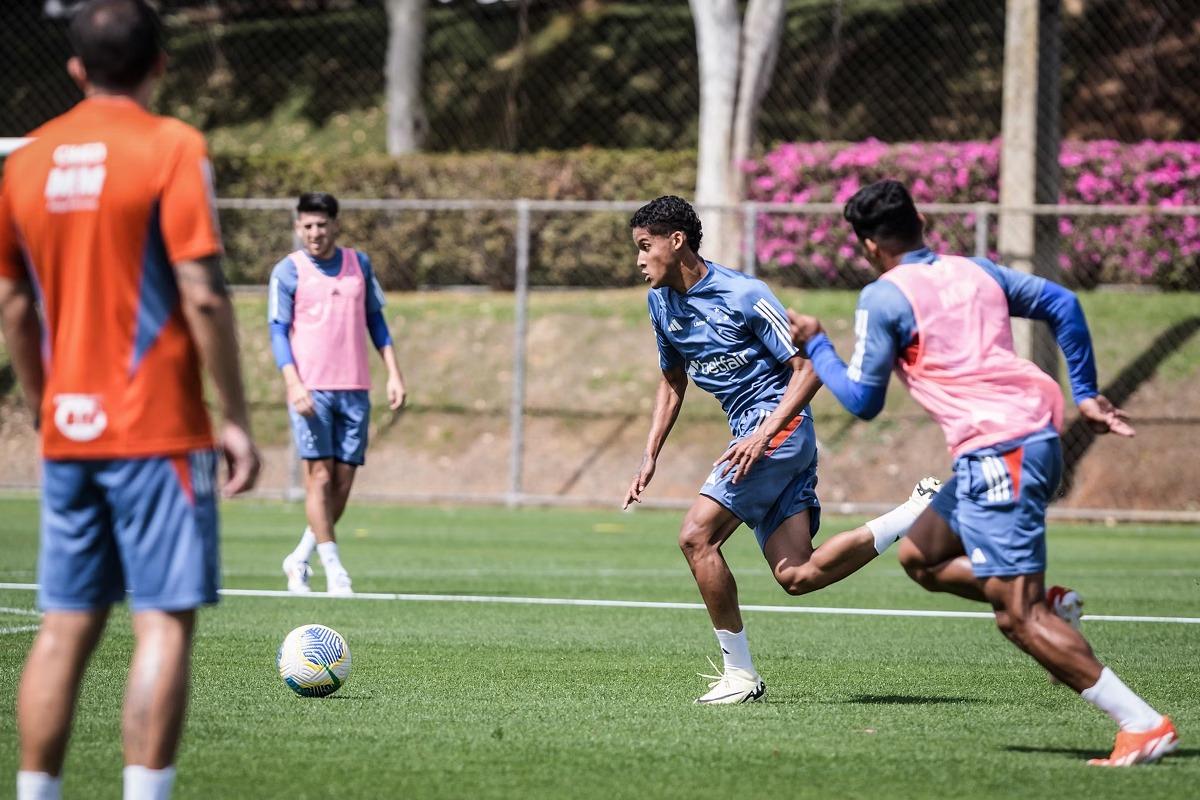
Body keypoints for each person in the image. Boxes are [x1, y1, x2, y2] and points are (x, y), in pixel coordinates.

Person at [788, 179, 1177, 766]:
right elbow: (1063, 304)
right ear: (921, 220)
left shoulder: (885, 296)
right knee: (922, 557)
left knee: (1016, 618)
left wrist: (817, 345)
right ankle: (1050, 601)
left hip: (1004, 450)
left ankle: (1141, 722)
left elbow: (863, 401)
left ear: (868, 246)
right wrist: (1088, 394)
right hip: (1010, 444)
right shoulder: (976, 271)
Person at [0, 2, 261, 799]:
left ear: (75, 68)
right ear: (160, 65)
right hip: (157, 430)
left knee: (65, 626)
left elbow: (13, 307)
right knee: (160, 622)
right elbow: (204, 296)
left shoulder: (26, 162)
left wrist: (48, 407)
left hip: (70, 434)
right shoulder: (172, 147)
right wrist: (238, 419)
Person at [622, 195, 940, 705]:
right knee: (797, 574)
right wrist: (650, 452)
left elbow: (810, 366)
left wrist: (765, 433)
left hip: (778, 431)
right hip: (754, 436)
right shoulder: (660, 301)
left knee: (695, 537)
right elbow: (672, 378)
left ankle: (740, 676)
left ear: (675, 241)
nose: (638, 259)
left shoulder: (745, 294)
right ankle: (915, 511)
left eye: (645, 246)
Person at [269, 191, 406, 595]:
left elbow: (376, 322)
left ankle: (299, 557)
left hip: (355, 390)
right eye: (308, 226)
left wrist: (394, 373)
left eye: (322, 225)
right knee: (320, 478)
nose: (315, 233)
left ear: (335, 225)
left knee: (343, 483)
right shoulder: (288, 271)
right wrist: (293, 382)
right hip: (312, 391)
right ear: (298, 228)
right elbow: (277, 330)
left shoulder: (358, 265)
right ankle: (334, 571)